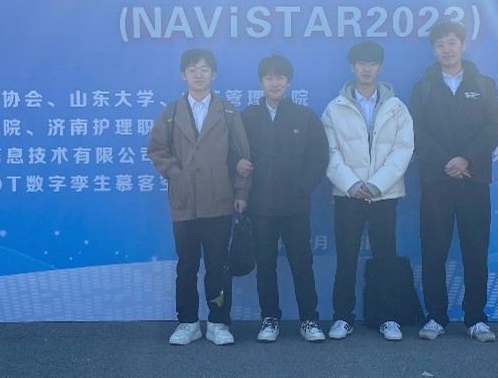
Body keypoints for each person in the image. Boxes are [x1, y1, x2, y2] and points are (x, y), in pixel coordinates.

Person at [147, 48, 251, 346]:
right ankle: (188, 322)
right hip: (184, 202)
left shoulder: (228, 112)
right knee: (187, 265)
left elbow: (243, 155)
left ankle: (218, 322)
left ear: (214, 74)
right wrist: (176, 174)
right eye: (193, 69)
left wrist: (241, 192)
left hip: (220, 200)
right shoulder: (171, 113)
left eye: (205, 69)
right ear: (183, 74)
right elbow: (157, 150)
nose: (199, 74)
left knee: (218, 266)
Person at [409, 21, 498, 343]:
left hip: (473, 180)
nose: (446, 49)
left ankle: (476, 318)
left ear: (463, 45)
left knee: (475, 251)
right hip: (436, 181)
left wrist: (465, 159)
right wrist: (446, 162)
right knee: (433, 251)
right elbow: (416, 131)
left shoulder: (485, 85)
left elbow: (493, 128)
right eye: (440, 45)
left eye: (451, 43)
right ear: (433, 50)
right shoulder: (423, 88)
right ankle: (435, 317)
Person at [321, 40, 415, 341]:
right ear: (352, 67)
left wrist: (377, 184)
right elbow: (330, 152)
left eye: (372, 63)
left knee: (385, 256)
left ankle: (388, 318)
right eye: (361, 63)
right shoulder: (335, 108)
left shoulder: (396, 107)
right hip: (348, 195)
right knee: (346, 257)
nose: (366, 68)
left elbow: (403, 150)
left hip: (384, 194)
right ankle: (342, 317)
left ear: (380, 68)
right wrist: (352, 184)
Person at [237, 54, 330, 343]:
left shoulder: (304, 116)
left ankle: (309, 319)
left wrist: (301, 187)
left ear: (288, 82)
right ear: (261, 82)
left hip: (295, 206)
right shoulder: (248, 116)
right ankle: (270, 319)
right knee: (265, 265)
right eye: (268, 77)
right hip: (260, 207)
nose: (274, 82)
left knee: (302, 264)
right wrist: (237, 165)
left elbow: (319, 157)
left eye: (279, 77)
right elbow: (234, 151)